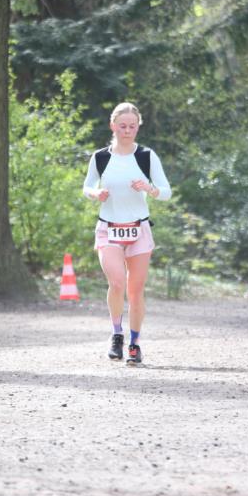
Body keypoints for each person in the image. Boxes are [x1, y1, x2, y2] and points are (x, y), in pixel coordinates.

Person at [83, 102, 172, 365]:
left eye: (132, 126)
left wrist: (150, 188)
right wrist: (95, 193)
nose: (127, 130)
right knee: (117, 283)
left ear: (138, 127)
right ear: (113, 126)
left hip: (139, 229)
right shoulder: (101, 157)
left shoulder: (146, 156)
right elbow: (86, 186)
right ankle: (116, 335)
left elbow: (166, 191)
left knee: (135, 290)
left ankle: (134, 343)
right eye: (122, 126)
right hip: (108, 228)